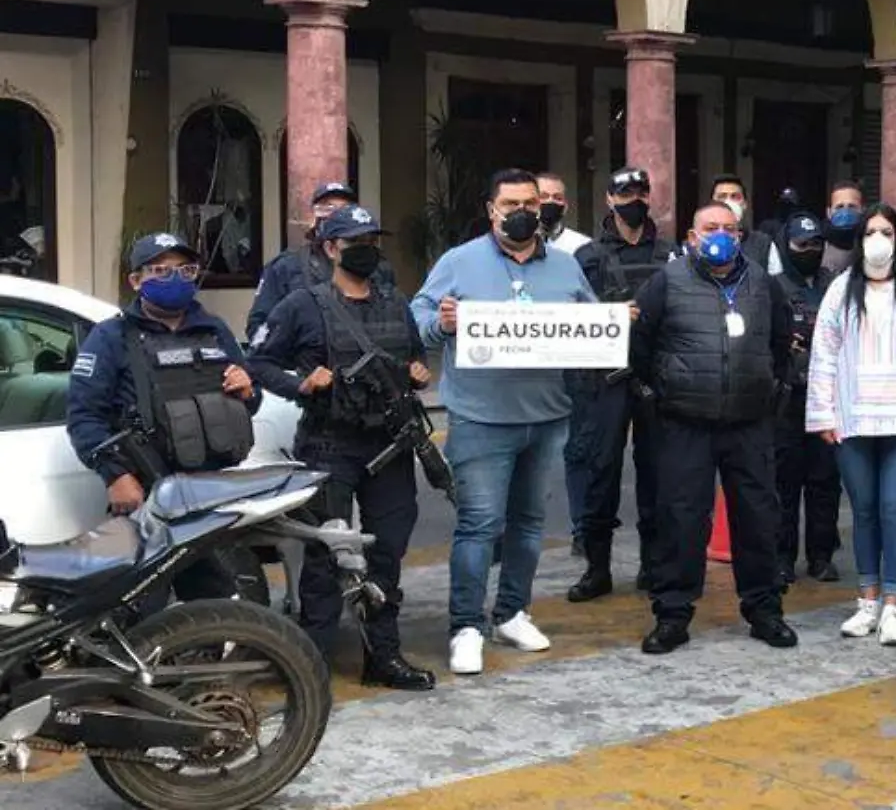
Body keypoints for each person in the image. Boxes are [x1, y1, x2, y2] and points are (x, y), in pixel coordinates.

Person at [413, 168, 596, 677]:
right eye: (510, 203)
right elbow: (417, 315)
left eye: (530, 204)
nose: (521, 212)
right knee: (479, 526)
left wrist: (613, 325)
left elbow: (591, 319)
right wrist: (439, 323)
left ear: (542, 209)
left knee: (529, 526)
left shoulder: (564, 266)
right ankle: (466, 626)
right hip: (480, 417)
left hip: (547, 415)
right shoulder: (459, 261)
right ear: (491, 209)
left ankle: (512, 612)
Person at [247, 205, 435, 690]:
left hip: (389, 448)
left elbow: (413, 355)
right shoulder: (303, 306)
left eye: (373, 240)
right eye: (355, 242)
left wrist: (418, 371)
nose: (367, 250)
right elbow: (258, 363)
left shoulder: (396, 303)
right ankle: (311, 664)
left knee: (387, 554)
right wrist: (301, 385)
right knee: (325, 557)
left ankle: (383, 657)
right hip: (330, 445)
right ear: (331, 249)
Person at [628, 201, 798, 654]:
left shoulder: (763, 284)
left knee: (758, 518)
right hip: (685, 422)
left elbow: (782, 343)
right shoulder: (667, 282)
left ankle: (764, 609)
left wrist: (771, 391)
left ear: (740, 237)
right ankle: (672, 615)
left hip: (749, 422)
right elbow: (638, 343)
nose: (719, 235)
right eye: (710, 228)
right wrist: (655, 395)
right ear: (691, 236)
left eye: (728, 228)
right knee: (681, 518)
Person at [66, 232, 259, 603]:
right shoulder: (112, 337)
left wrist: (247, 390)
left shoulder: (214, 330)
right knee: (143, 604)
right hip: (145, 491)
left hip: (206, 490)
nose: (175, 278)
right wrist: (116, 476)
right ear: (135, 281)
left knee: (215, 600)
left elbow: (249, 402)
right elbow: (84, 417)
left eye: (184, 269)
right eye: (160, 270)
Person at [808, 204, 896, 646]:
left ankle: (893, 605)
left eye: (886, 231)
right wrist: (823, 413)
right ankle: (866, 601)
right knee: (864, 510)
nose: (877, 238)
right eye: (870, 231)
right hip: (853, 417)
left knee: (893, 509)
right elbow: (825, 353)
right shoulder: (841, 288)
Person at [565, 167, 675, 602]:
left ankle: (653, 564)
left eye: (640, 191)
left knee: (658, 474)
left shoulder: (671, 255)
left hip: (656, 376)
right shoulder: (587, 257)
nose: (634, 198)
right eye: (624, 192)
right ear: (609, 199)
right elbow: (566, 315)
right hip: (603, 380)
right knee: (600, 472)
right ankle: (597, 568)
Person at [772, 211, 842, 586]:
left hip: (829, 398)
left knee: (825, 481)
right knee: (783, 482)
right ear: (786, 247)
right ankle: (782, 558)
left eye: (816, 244)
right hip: (786, 399)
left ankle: (821, 555)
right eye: (802, 245)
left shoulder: (838, 285)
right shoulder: (772, 287)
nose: (810, 251)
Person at [247, 181, 395, 341]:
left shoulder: (378, 266)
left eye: (342, 210)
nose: (333, 216)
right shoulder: (286, 267)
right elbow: (258, 328)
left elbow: (395, 320)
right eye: (326, 208)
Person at [711, 174, 779, 271]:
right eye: (722, 197)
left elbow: (776, 283)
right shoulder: (699, 241)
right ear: (711, 204)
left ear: (744, 204)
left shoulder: (763, 244)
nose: (728, 202)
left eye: (735, 197)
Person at [536, 171, 593, 255]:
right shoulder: (516, 244)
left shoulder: (583, 245)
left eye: (558, 198)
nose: (551, 201)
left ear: (565, 207)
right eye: (543, 196)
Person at [821, 180, 866, 275]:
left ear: (862, 210)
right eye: (839, 207)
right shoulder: (818, 244)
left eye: (852, 206)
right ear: (829, 213)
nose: (845, 212)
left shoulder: (870, 243)